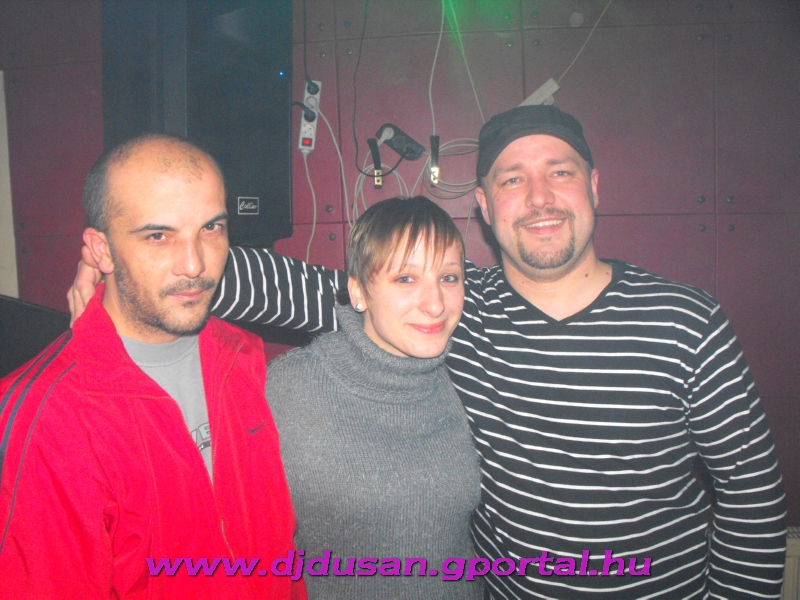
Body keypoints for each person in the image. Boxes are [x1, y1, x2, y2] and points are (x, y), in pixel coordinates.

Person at [71, 107, 787, 599]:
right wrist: (130, 267)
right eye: (512, 178)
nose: (539, 196)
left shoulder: (685, 321)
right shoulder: (460, 311)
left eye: (561, 171)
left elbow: (753, 505)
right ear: (485, 205)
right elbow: (298, 288)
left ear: (594, 186)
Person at [1, 134, 302, 599]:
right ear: (101, 251)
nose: (194, 264)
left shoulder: (243, 359)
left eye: (211, 228)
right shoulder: (45, 419)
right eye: (158, 236)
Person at [267, 196, 481, 599]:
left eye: (449, 277)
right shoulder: (291, 389)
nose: (436, 304)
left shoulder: (466, 380)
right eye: (406, 279)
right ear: (359, 291)